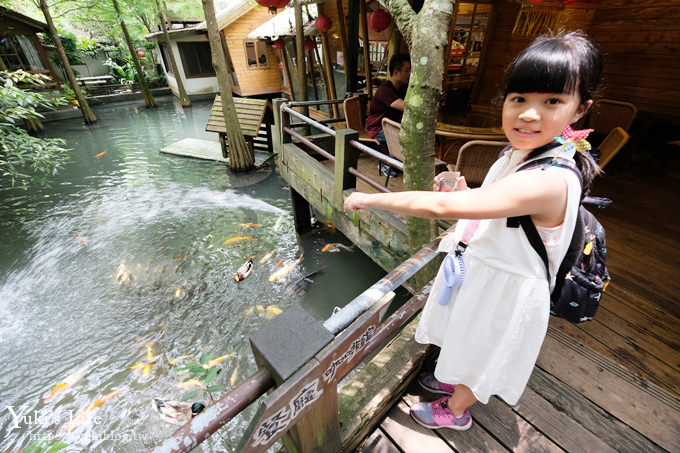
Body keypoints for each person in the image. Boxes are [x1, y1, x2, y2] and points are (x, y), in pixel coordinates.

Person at [344, 31, 602, 431]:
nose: (529, 114)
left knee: (483, 353)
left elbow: (444, 208)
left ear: (580, 109)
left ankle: (456, 412)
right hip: (487, 271)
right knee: (468, 338)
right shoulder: (524, 152)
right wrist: (470, 193)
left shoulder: (551, 179)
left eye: (551, 101)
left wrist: (371, 199)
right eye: (519, 99)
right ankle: (451, 378)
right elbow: (499, 200)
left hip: (508, 289)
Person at [366, 53, 411, 177]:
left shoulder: (401, 87)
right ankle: (384, 162)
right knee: (408, 138)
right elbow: (407, 107)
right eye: (407, 71)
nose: (409, 74)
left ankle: (394, 160)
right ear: (396, 72)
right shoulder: (386, 90)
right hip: (377, 129)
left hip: (391, 127)